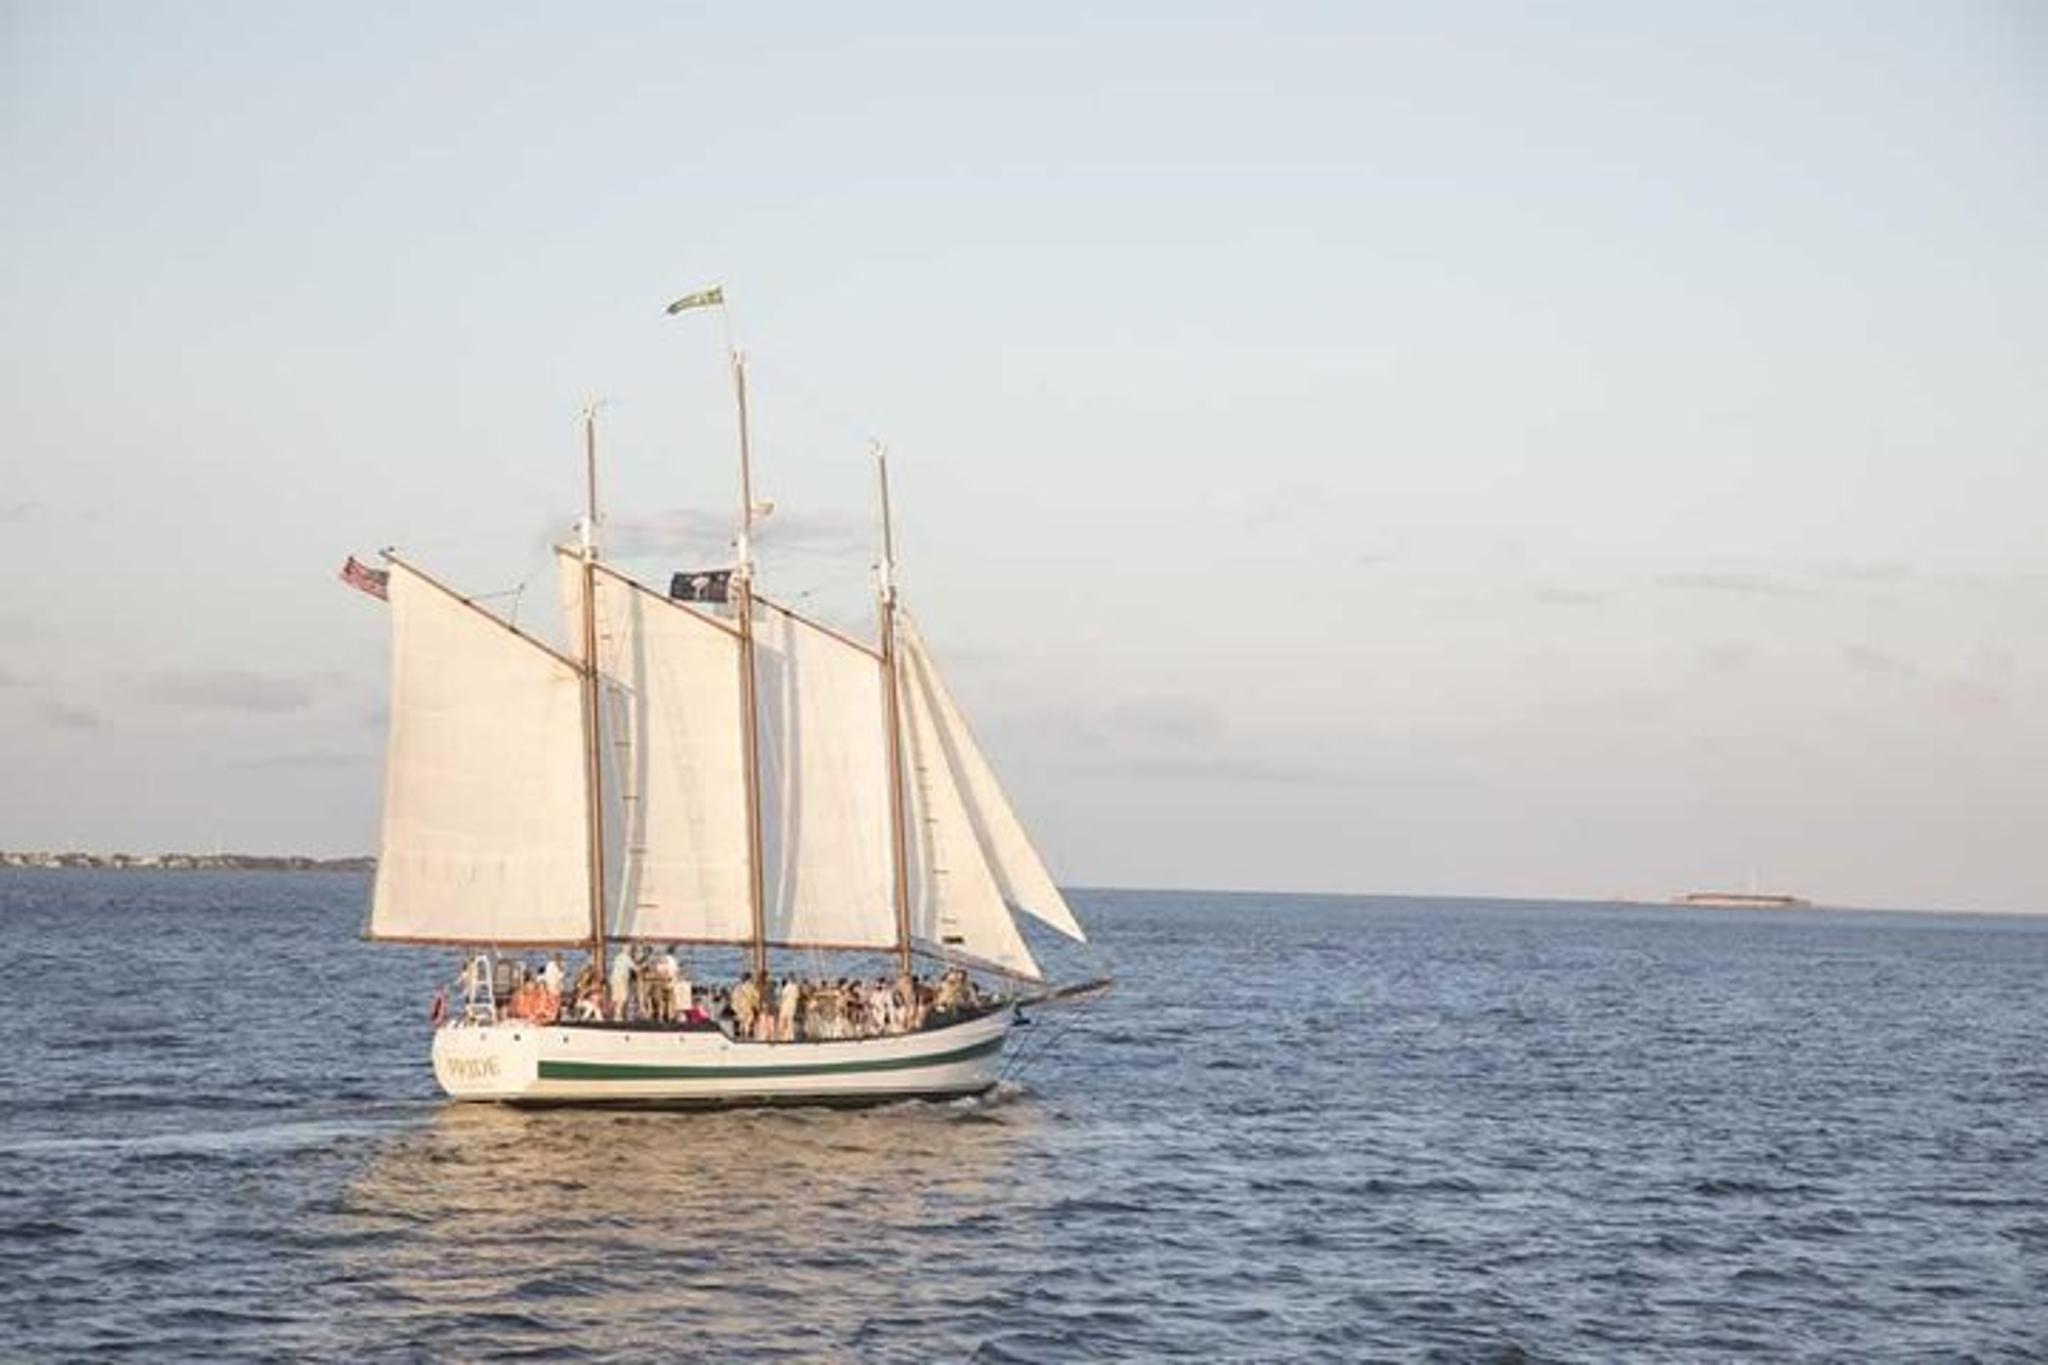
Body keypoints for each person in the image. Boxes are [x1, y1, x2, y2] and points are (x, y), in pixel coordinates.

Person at [608, 948, 635, 1021]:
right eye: (630, 949)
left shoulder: (617, 957)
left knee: (616, 998)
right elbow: (635, 968)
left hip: (614, 979)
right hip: (622, 979)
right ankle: (618, 1016)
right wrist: (643, 966)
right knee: (623, 998)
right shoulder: (627, 957)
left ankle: (613, 1015)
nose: (631, 950)